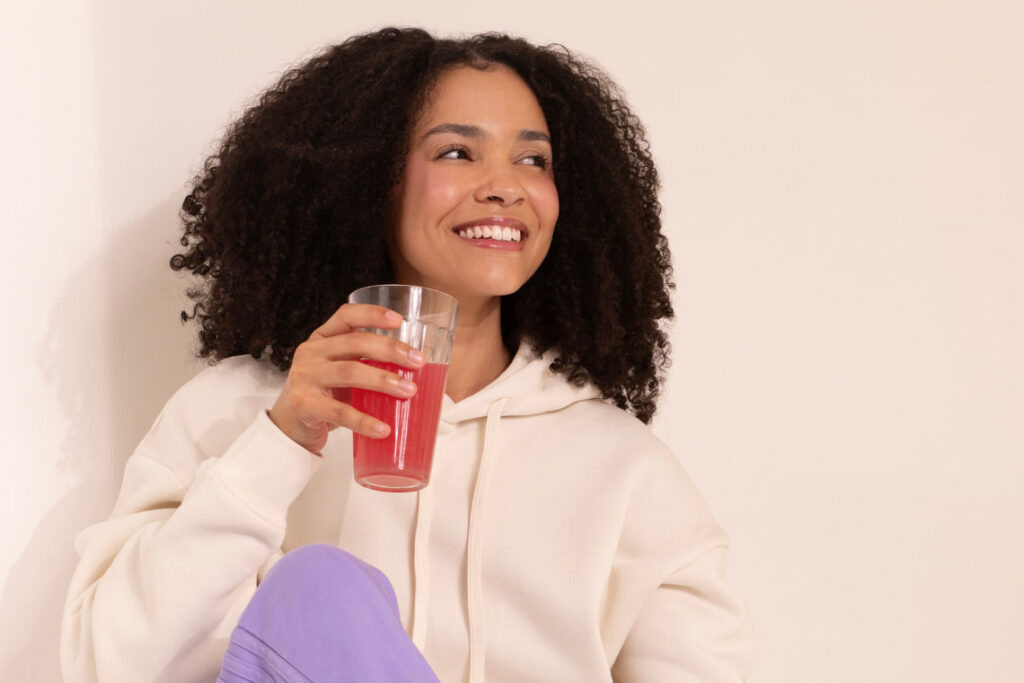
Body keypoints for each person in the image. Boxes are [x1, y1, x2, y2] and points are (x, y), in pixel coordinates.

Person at [61, 27, 753, 682]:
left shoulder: (627, 470)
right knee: (317, 589)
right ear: (372, 179)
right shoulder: (237, 413)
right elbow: (105, 665)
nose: (505, 184)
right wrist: (280, 444)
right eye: (456, 153)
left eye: (533, 159)